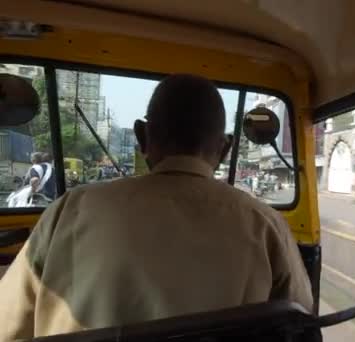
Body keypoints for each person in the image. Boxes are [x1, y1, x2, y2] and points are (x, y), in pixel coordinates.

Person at [0, 74, 313, 339]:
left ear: (142, 136)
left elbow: (8, 326)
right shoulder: (267, 225)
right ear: (225, 148)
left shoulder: (70, 209)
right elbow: (302, 327)